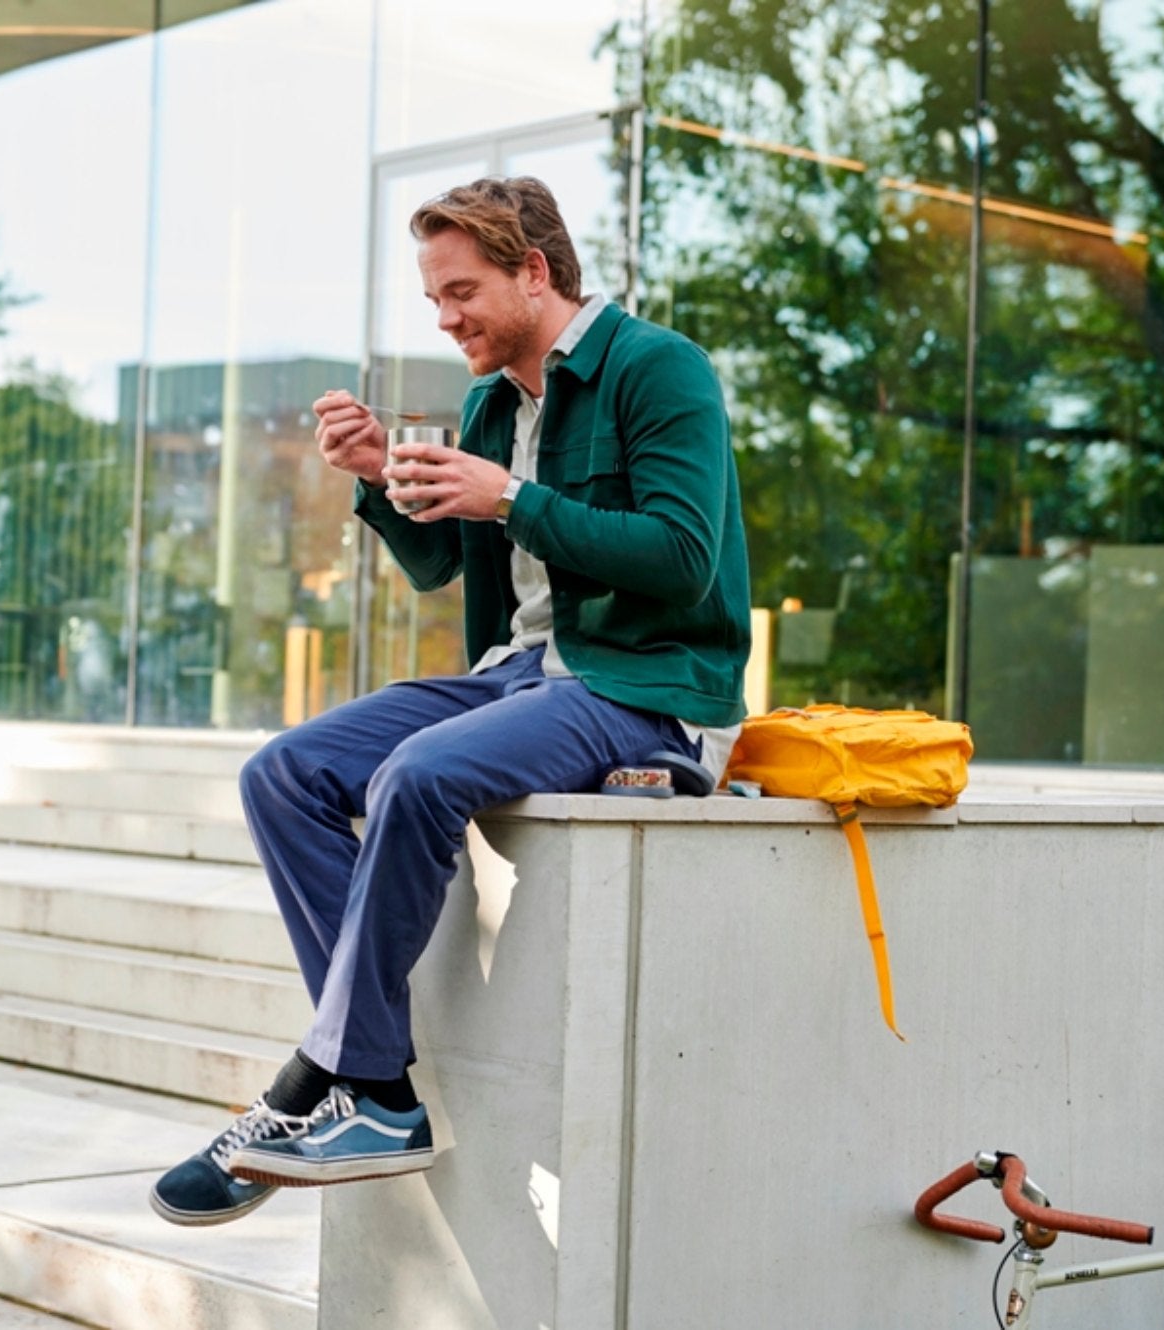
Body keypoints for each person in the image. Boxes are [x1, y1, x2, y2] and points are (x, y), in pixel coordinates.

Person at [150, 176, 750, 1226]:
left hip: (643, 684)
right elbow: (440, 562)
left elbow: (684, 560)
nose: (444, 317)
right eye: (432, 299)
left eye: (460, 291)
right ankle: (371, 1080)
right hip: (516, 673)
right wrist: (380, 474)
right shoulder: (488, 405)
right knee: (283, 772)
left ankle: (315, 1084)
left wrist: (512, 495)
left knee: (416, 773)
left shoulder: (658, 370)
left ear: (534, 271)